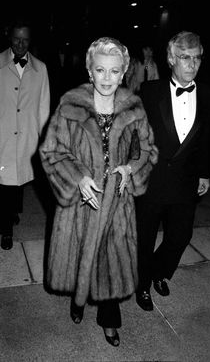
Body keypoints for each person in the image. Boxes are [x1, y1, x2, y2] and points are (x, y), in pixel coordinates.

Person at [39, 37, 157, 346]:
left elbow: (146, 149)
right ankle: (78, 299)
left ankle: (109, 317)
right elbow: (51, 151)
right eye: (100, 70)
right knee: (82, 256)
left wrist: (130, 169)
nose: (107, 78)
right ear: (90, 71)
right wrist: (77, 177)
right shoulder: (70, 104)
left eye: (114, 71)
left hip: (117, 201)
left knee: (111, 260)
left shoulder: (132, 106)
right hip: (81, 203)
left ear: (124, 72)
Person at [135, 31, 210, 311]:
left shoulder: (207, 94)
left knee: (180, 236)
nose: (192, 65)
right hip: (153, 180)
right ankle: (142, 285)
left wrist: (204, 172)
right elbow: (136, 134)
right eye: (185, 58)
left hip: (185, 181)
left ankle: (158, 271)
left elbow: (204, 139)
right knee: (144, 237)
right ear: (171, 59)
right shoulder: (149, 91)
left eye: (196, 58)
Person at [0, 19, 50, 250]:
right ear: (10, 37)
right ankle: (6, 230)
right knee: (4, 183)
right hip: (3, 135)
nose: (20, 44)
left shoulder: (41, 69)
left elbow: (43, 106)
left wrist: (42, 139)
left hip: (27, 137)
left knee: (18, 181)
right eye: (16, 38)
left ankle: (11, 212)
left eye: (25, 39)